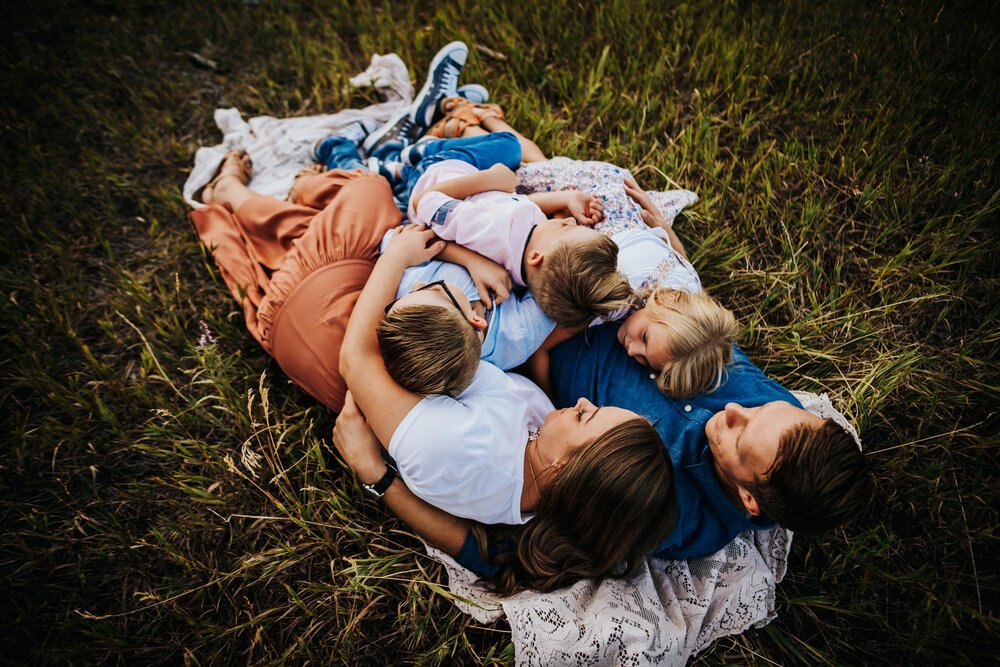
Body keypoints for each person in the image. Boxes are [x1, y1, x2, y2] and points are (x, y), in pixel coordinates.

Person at [334, 321, 873, 594]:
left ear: (751, 500)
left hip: (515, 345)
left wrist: (378, 477)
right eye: (762, 411)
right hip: (583, 295)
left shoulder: (675, 516)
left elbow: (510, 555)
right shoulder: (771, 406)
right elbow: (698, 318)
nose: (734, 409)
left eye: (740, 437)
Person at [338, 225, 677, 588]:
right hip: (444, 336)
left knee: (362, 210)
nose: (580, 401)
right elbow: (489, 558)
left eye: (584, 415)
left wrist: (397, 256)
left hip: (363, 327)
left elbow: (356, 357)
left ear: (562, 468)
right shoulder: (544, 488)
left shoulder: (457, 446)